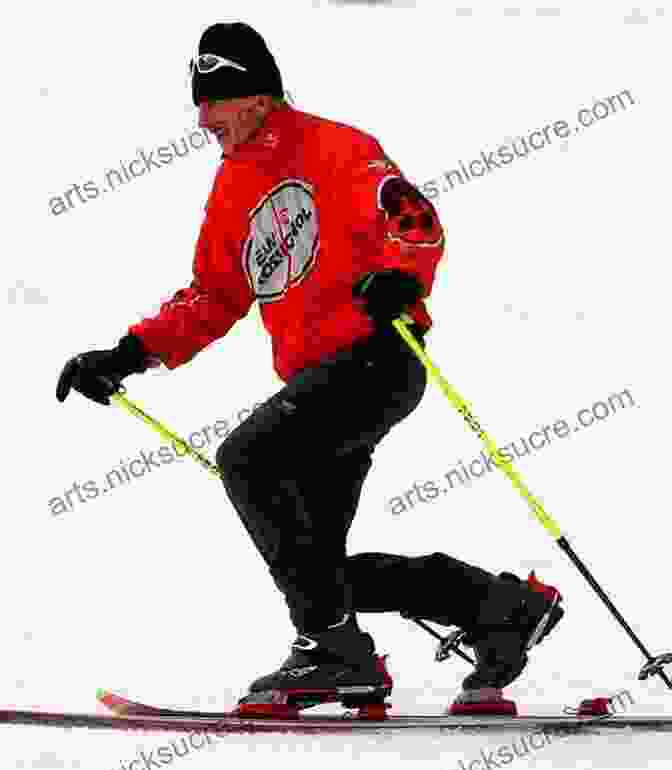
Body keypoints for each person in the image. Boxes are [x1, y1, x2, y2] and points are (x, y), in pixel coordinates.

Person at [56, 22, 564, 714]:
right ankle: (497, 607)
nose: (203, 118)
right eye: (200, 104)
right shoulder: (233, 188)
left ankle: (334, 653)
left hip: (375, 356)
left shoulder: (334, 147)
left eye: (217, 101)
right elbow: (214, 294)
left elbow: (412, 218)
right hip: (316, 378)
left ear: (259, 97)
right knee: (316, 570)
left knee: (247, 459)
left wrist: (400, 278)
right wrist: (127, 353)